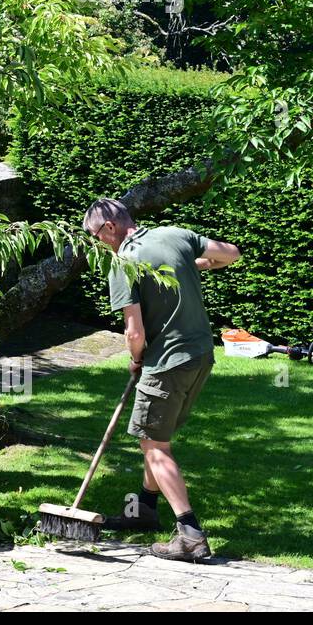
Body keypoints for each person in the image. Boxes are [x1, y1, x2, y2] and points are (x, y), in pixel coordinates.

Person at [84, 197, 241, 562]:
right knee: (154, 438)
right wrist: (195, 263)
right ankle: (144, 510)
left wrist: (136, 359)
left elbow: (134, 331)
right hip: (200, 355)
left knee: (155, 446)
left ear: (109, 227)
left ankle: (190, 535)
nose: (98, 244)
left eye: (95, 236)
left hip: (167, 362)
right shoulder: (174, 234)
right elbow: (231, 253)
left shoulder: (123, 263)